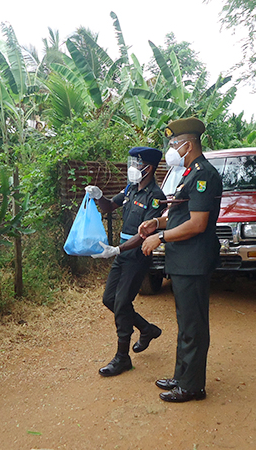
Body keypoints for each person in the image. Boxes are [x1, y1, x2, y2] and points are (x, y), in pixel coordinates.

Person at [140, 117, 223, 403]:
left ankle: (192, 387)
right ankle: (182, 375)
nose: (171, 148)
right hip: (184, 260)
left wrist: (160, 238)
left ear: (188, 144)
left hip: (193, 261)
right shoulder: (189, 173)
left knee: (193, 325)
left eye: (174, 143)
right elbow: (180, 216)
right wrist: (156, 223)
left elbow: (198, 224)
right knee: (185, 322)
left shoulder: (203, 175)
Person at [85, 147, 167, 377]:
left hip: (138, 254)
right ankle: (146, 329)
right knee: (109, 298)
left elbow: (145, 234)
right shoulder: (131, 188)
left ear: (148, 168)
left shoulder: (156, 196)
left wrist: (117, 249)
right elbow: (111, 206)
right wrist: (99, 196)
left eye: (137, 163)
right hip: (122, 253)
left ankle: (122, 358)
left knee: (121, 302)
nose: (133, 167)